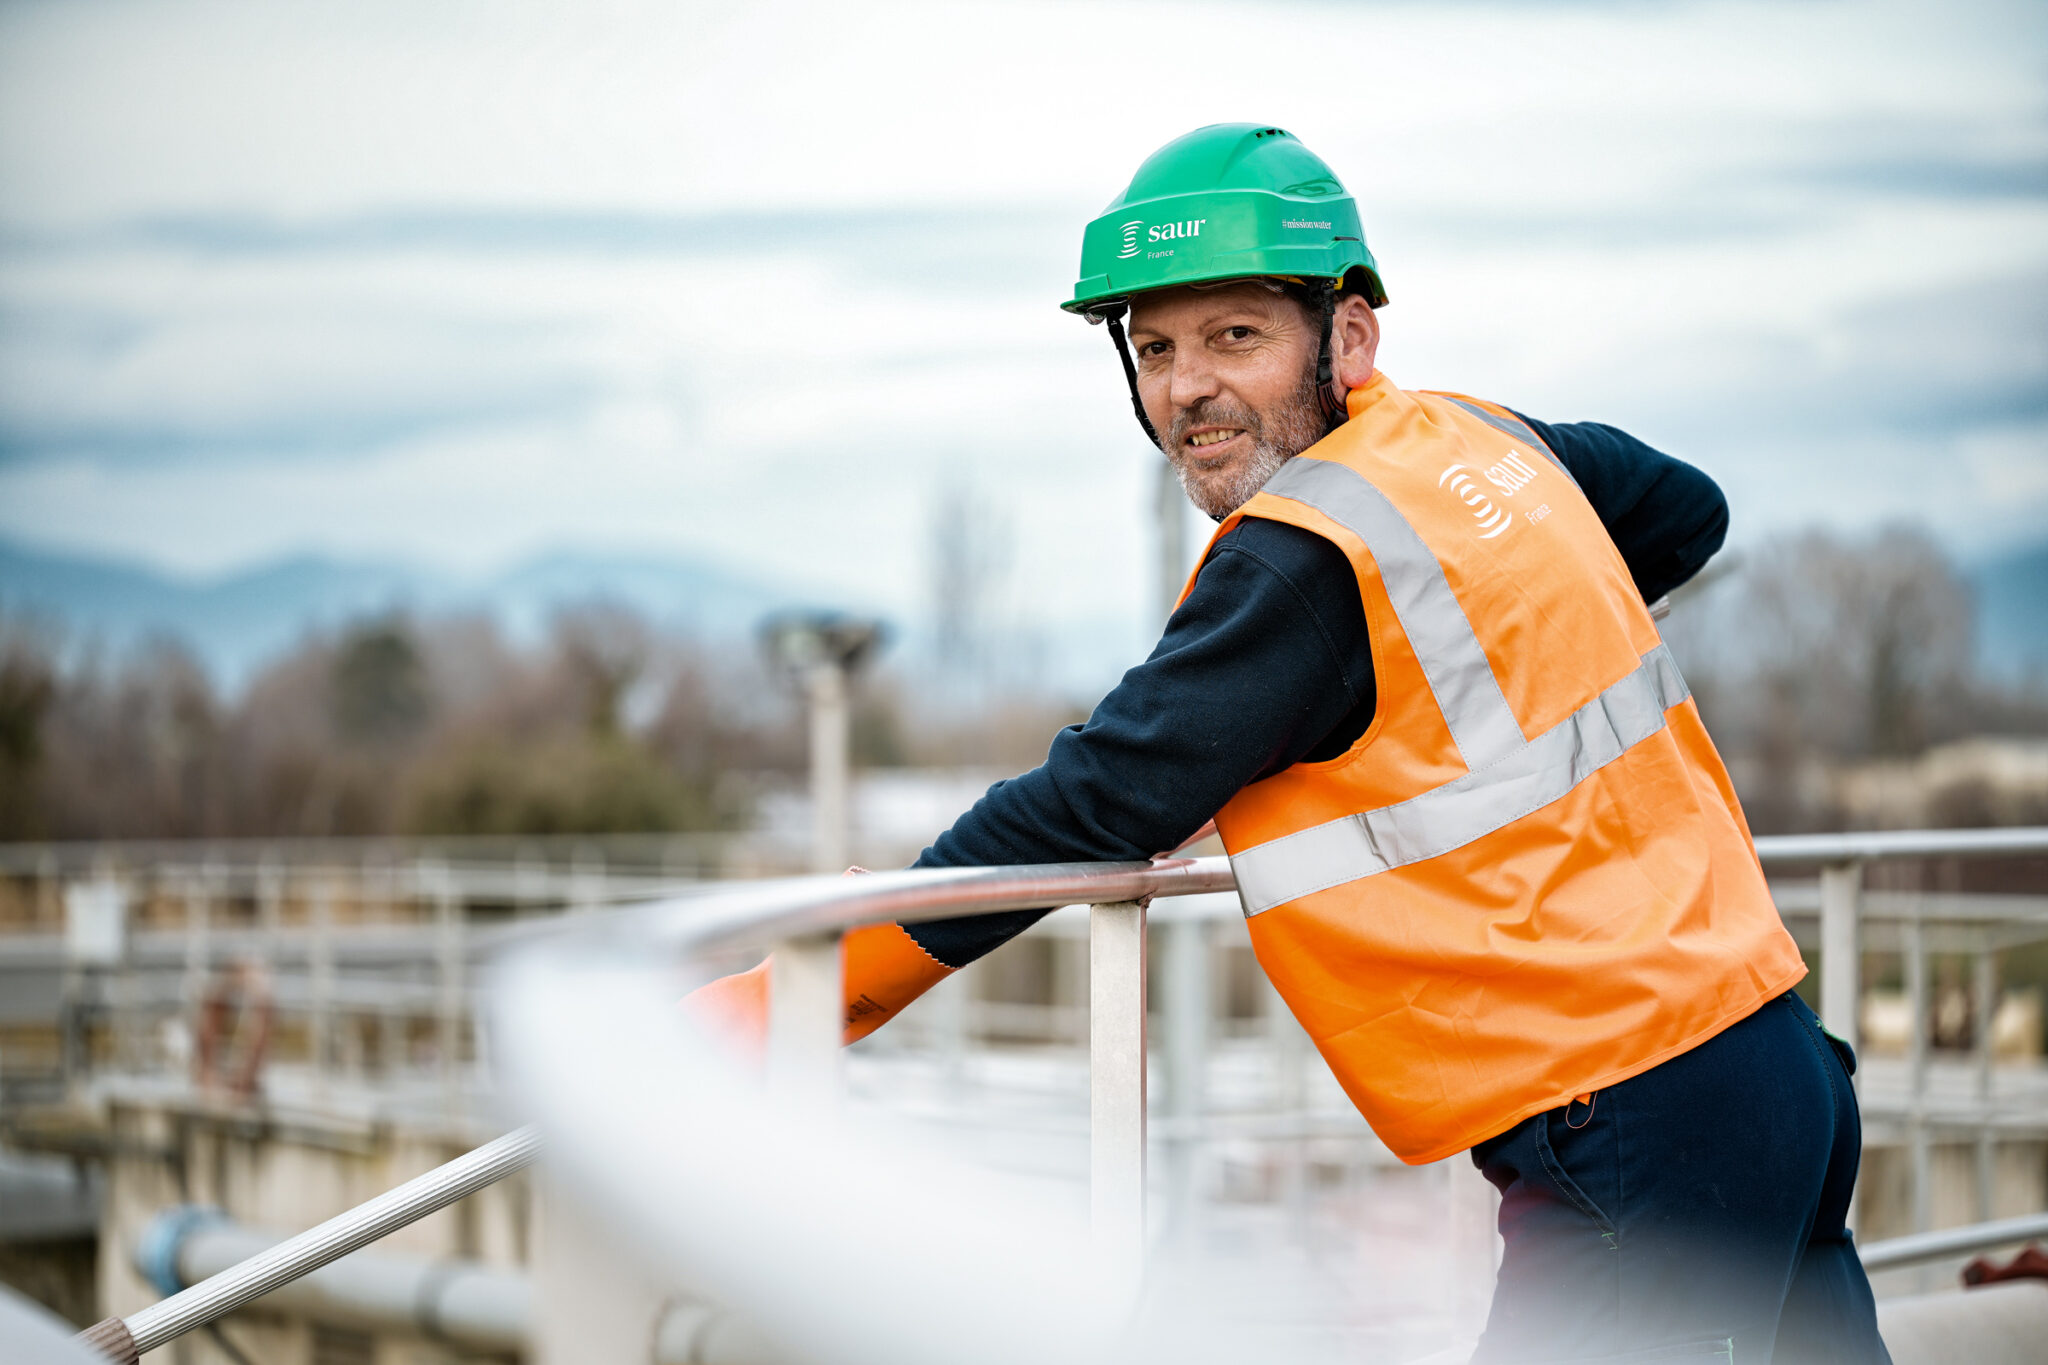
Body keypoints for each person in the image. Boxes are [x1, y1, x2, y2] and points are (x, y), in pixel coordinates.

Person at [691, 124, 1890, 1364]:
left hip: (1637, 1122)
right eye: (1153, 349)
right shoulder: (1473, 443)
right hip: (1771, 1060)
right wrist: (1493, 611)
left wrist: (798, 998)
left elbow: (1089, 802)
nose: (1184, 389)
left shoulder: (1301, 561)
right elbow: (1685, 508)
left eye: (1233, 337)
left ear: (1347, 337)